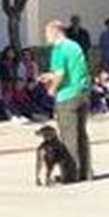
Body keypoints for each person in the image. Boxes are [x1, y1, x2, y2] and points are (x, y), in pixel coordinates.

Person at [40, 19, 92, 182]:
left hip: (67, 95)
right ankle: (85, 172)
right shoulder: (74, 46)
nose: (46, 37)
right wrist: (49, 76)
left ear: (55, 32)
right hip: (82, 92)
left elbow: (60, 74)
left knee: (68, 136)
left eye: (47, 33)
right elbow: (72, 69)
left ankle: (70, 174)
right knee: (81, 134)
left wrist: (51, 89)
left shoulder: (58, 49)